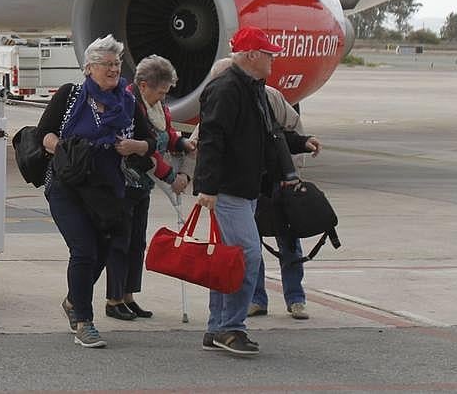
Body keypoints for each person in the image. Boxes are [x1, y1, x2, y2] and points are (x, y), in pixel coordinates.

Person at [193, 28, 312, 357]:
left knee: (227, 260)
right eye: (268, 53)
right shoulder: (227, 89)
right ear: (250, 56)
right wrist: (207, 187)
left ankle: (218, 327)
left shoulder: (253, 89)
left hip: (244, 190)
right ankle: (232, 327)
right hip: (228, 191)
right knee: (246, 256)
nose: (274, 58)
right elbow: (211, 140)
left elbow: (269, 135)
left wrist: (300, 142)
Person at [36, 34, 145, 349]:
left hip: (107, 190)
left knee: (101, 251)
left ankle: (73, 301)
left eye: (116, 63)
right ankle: (84, 321)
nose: (113, 69)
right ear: (89, 69)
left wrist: (135, 146)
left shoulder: (128, 100)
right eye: (105, 64)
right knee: (83, 250)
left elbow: (150, 141)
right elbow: (43, 133)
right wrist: (65, 149)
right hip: (67, 185)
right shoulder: (71, 96)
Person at [104, 54, 195, 321]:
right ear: (143, 85)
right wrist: (172, 178)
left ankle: (129, 295)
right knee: (120, 242)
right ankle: (114, 298)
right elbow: (144, 151)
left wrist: (181, 143)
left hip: (142, 186)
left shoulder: (158, 107)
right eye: (160, 91)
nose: (163, 97)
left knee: (136, 242)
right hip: (125, 182)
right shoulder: (129, 105)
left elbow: (165, 135)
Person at [249, 83, 322, 321]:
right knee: (252, 246)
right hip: (248, 186)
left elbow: (290, 129)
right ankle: (256, 299)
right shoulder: (228, 95)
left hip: (280, 183)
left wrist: (296, 170)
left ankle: (296, 299)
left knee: (289, 243)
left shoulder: (272, 97)